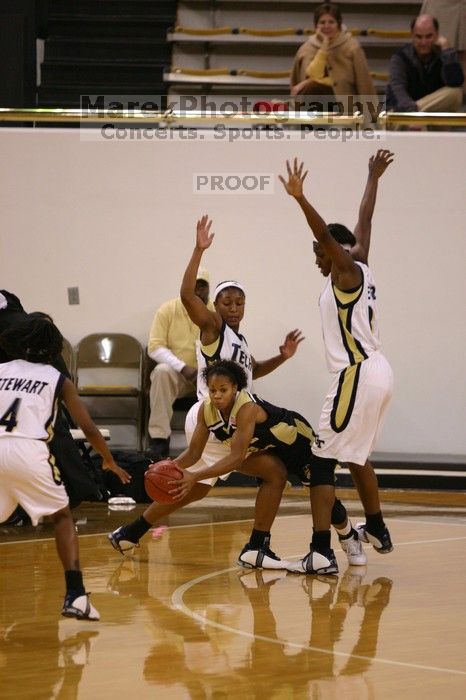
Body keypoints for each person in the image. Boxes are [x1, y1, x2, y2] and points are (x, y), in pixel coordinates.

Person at [108, 216, 307, 568]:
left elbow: (254, 371)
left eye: (239, 302)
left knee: (196, 488)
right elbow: (187, 295)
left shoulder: (240, 341)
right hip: (213, 417)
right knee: (274, 472)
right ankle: (257, 546)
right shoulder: (213, 328)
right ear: (215, 306)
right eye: (226, 302)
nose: (232, 308)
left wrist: (282, 356)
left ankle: (131, 531)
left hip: (218, 420)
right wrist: (198, 250)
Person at [280, 157, 394, 575]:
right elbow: (364, 218)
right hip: (378, 370)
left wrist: (300, 198)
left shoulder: (344, 271)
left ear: (335, 253)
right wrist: (371, 176)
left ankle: (320, 550)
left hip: (357, 373)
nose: (317, 260)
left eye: (319, 255)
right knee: (357, 456)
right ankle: (377, 528)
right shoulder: (360, 260)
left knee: (321, 457)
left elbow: (324, 233)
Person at [0, 315, 131, 619]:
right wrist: (108, 460)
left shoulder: (1, 370)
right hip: (28, 448)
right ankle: (75, 595)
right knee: (62, 517)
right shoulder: (56, 378)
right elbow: (88, 428)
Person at [146, 268, 213, 461]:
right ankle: (159, 441)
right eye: (194, 285)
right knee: (161, 371)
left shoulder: (216, 312)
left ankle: (216, 444)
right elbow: (155, 347)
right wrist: (184, 368)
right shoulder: (167, 310)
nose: (198, 290)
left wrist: (208, 372)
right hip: (179, 376)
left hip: (210, 377)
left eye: (202, 285)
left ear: (208, 289)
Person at [290, 2, 376, 107]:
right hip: (311, 107)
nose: (326, 26)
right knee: (312, 88)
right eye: (322, 22)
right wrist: (324, 46)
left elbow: (364, 82)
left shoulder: (352, 47)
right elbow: (311, 76)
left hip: (345, 107)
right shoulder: (306, 48)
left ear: (338, 24)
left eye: (331, 22)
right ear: (316, 25)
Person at [386, 14, 464, 112]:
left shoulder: (444, 54)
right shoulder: (400, 57)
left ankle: (418, 115)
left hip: (431, 116)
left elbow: (455, 82)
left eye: (428, 36)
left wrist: (446, 49)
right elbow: (397, 90)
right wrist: (412, 113)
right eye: (419, 37)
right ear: (412, 36)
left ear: (437, 35)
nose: (423, 42)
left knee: (455, 93)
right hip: (403, 114)